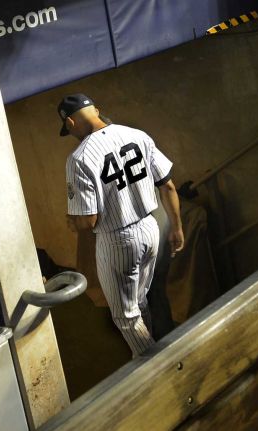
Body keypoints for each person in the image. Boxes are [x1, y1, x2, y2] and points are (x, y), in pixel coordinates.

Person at [60, 93, 184, 357]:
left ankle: (154, 369)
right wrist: (177, 226)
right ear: (97, 110)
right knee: (139, 302)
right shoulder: (137, 135)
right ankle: (150, 350)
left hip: (117, 241)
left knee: (125, 318)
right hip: (151, 229)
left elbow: (88, 221)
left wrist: (75, 220)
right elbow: (169, 185)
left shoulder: (79, 158)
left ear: (70, 123)